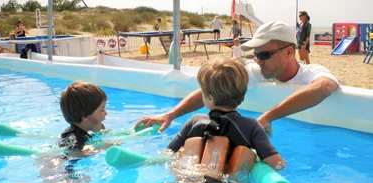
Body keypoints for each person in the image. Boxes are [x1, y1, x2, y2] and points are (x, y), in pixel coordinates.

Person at [137, 58, 285, 183]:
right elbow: (277, 164)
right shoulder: (251, 126)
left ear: (209, 97)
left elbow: (168, 155)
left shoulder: (194, 121)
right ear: (242, 95)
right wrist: (258, 162)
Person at [135, 21, 340, 137]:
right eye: (255, 55)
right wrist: (171, 115)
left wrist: (268, 116)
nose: (258, 60)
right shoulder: (259, 72)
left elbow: (323, 86)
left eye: (264, 55)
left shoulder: (311, 72)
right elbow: (214, 89)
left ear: (289, 52)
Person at [58, 80, 114, 156]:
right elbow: (73, 154)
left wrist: (100, 132)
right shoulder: (73, 137)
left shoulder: (80, 132)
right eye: (102, 110)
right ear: (85, 116)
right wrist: (102, 148)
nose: (106, 113)